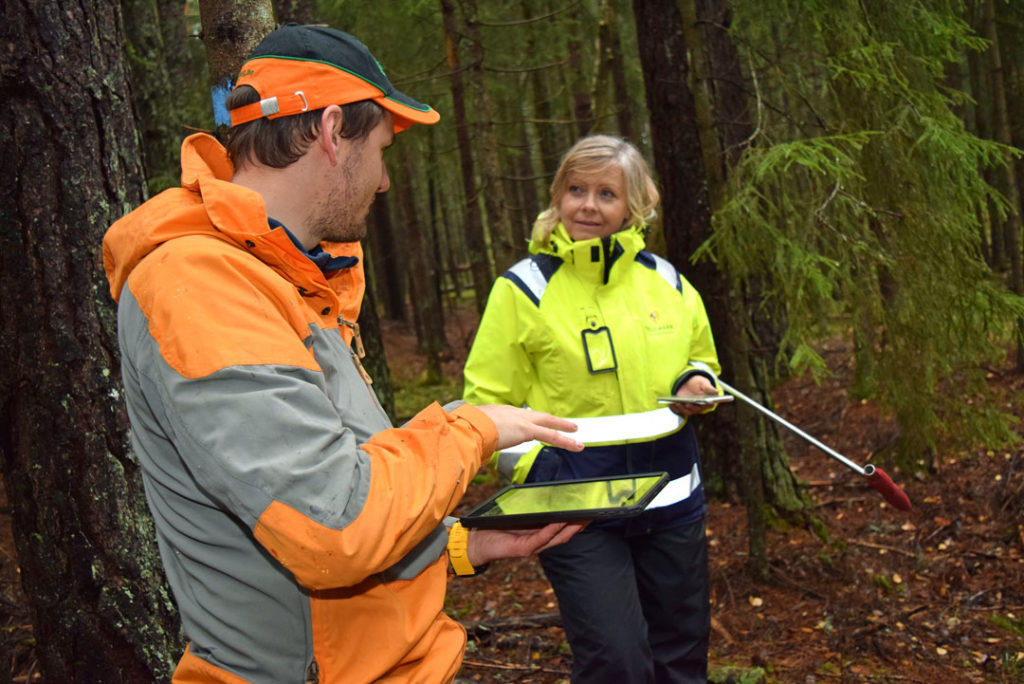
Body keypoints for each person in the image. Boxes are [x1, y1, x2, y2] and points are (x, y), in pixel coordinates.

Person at [102, 23, 586, 684]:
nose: (383, 181)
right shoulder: (201, 285)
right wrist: (472, 429)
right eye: (381, 149)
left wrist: (455, 546)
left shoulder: (289, 278)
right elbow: (332, 526)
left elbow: (324, 486)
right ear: (332, 131)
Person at [463, 134, 724, 683]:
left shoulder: (667, 281)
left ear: (633, 206)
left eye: (607, 194)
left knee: (681, 658)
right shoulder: (523, 290)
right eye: (576, 190)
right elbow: (486, 404)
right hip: (575, 511)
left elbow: (699, 357)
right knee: (616, 663)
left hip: (673, 502)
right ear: (558, 197)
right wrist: (543, 471)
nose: (588, 205)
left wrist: (696, 380)